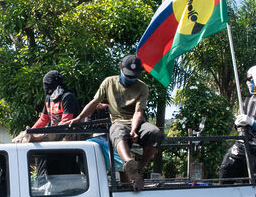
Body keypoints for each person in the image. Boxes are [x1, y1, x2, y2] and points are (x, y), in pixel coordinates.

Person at [69, 54, 163, 189]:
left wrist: (134, 130)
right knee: (117, 132)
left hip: (137, 122)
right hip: (118, 122)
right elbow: (95, 102)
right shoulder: (109, 82)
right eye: (128, 75)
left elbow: (138, 112)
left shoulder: (142, 87)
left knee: (155, 133)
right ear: (120, 68)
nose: (130, 79)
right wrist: (79, 118)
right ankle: (129, 162)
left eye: (133, 77)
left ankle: (139, 169)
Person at [12, 70, 78, 143]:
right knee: (25, 133)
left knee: (52, 130)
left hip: (70, 132)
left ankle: (37, 138)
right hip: (53, 132)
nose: (46, 88)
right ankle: (21, 138)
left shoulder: (67, 97)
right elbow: (43, 119)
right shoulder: (49, 98)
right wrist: (31, 131)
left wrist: (43, 134)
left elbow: (66, 122)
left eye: (47, 85)